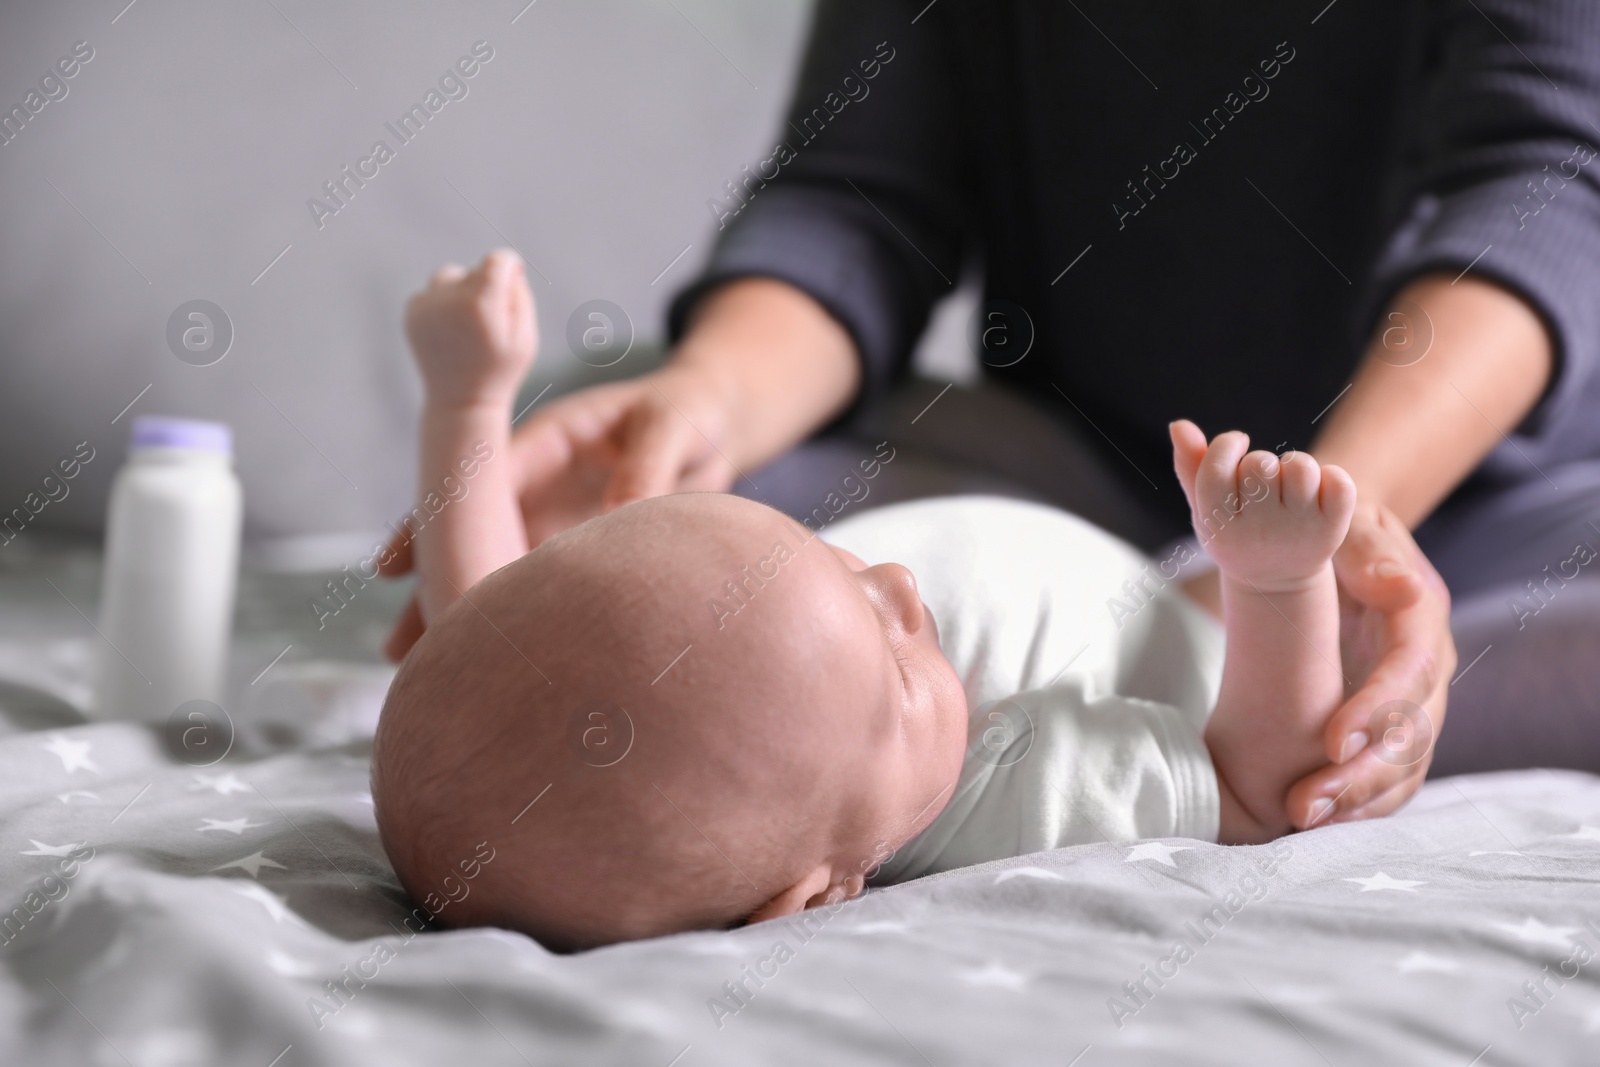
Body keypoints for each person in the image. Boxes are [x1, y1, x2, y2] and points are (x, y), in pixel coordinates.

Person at [382, 1, 1600, 824]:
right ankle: (1211, 652)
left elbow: (1544, 183)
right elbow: (858, 192)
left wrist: (1328, 529)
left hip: (1483, 505)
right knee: (622, 498)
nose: (897, 600)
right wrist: (701, 398)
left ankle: (1285, 659)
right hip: (1070, 472)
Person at [374, 251, 1362, 949]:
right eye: (895, 676)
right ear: (814, 892)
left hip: (1059, 492)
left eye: (818, 558)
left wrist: (466, 401)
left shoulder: (795, 679)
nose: (895, 586)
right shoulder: (996, 790)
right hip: (1201, 619)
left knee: (609, 401)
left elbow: (484, 619)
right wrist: (1275, 578)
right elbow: (1256, 788)